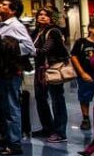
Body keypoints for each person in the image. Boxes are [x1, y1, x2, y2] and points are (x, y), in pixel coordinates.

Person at [0, 0, 35, 156]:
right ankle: (7, 136)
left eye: (4, 5)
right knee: (4, 105)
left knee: (12, 107)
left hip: (10, 73)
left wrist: (11, 48)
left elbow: (30, 48)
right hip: (1, 71)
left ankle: (15, 143)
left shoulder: (16, 26)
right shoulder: (3, 25)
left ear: (13, 10)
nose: (0, 6)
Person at [31, 8, 68, 143]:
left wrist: (29, 49)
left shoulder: (53, 31)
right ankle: (47, 127)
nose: (42, 17)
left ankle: (60, 132)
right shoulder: (36, 31)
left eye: (46, 15)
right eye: (40, 14)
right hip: (40, 70)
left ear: (51, 18)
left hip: (53, 69)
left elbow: (44, 50)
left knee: (57, 100)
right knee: (40, 98)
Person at [75, 24, 94, 156]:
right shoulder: (82, 42)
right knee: (84, 97)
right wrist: (82, 73)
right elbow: (74, 56)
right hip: (86, 76)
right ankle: (86, 118)